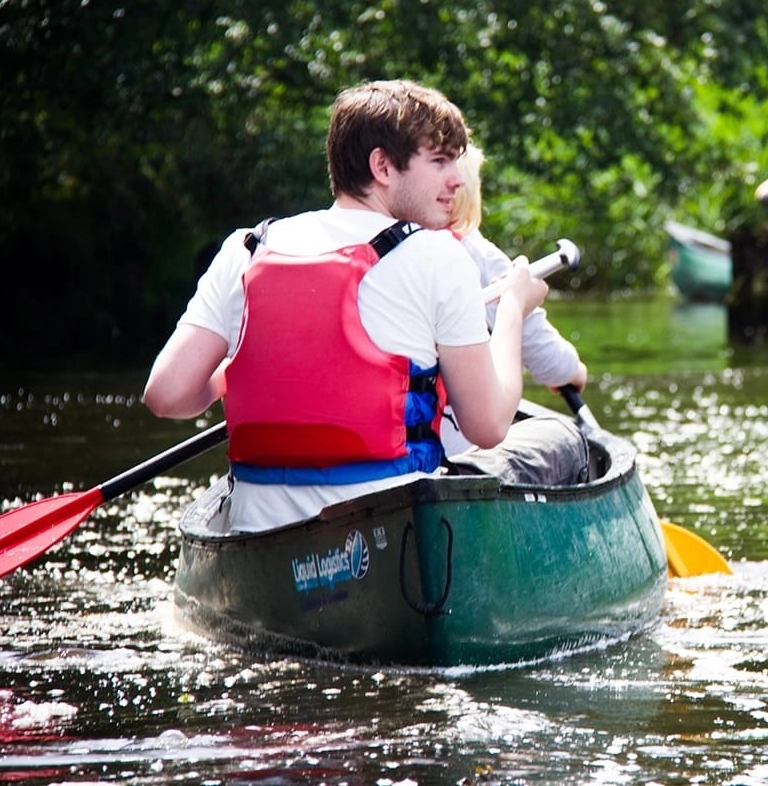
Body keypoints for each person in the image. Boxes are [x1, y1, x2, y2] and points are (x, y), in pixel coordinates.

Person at [142, 79, 549, 533]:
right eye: (439, 161)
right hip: (392, 532)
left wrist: (254, 369)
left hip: (258, 532)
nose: (458, 178)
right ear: (382, 166)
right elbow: (489, 425)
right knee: (553, 446)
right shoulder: (437, 255)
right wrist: (514, 305)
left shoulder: (248, 247)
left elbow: (167, 395)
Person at [440, 146, 592, 486]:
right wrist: (573, 371)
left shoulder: (394, 251)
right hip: (464, 457)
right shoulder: (481, 257)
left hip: (405, 456)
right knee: (566, 438)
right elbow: (547, 356)